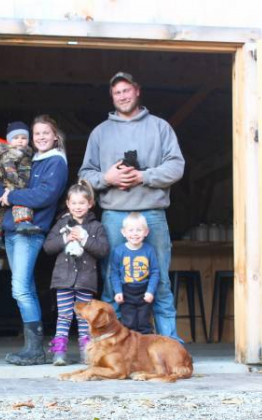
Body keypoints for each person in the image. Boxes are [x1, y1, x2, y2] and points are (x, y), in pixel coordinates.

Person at [78, 71, 185, 342]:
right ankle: (111, 345)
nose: (122, 96)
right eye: (117, 92)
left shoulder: (160, 127)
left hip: (152, 213)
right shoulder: (100, 132)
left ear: (137, 91)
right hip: (113, 215)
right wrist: (107, 178)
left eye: (126, 90)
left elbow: (176, 166)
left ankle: (170, 345)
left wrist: (143, 176)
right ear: (112, 97)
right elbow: (84, 175)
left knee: (159, 280)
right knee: (113, 281)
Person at [0, 114, 69, 366]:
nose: (41, 137)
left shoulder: (56, 162)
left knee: (21, 289)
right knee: (24, 288)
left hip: (31, 230)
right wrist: (2, 194)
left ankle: (35, 350)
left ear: (55, 135)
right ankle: (32, 347)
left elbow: (45, 195)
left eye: (45, 133)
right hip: (13, 229)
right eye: (37, 134)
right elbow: (0, 185)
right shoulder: (28, 158)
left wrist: (11, 195)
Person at [43, 179, 109, 365]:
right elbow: (48, 247)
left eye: (82, 203)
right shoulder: (61, 224)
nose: (78, 207)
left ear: (90, 204)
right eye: (74, 203)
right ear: (68, 204)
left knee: (84, 319)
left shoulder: (96, 227)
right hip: (63, 280)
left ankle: (86, 353)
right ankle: (59, 353)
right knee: (64, 315)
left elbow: (103, 250)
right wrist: (65, 237)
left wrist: (85, 239)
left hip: (86, 281)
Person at [0, 121, 41, 248]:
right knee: (20, 201)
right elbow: (8, 169)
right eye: (16, 138)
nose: (20, 141)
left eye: (24, 138)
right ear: (9, 140)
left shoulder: (26, 153)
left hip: (11, 183)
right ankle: (23, 222)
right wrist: (17, 184)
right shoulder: (11, 154)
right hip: (13, 182)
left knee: (4, 210)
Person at [109, 212, 159, 334]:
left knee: (144, 323)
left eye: (139, 230)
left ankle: (146, 349)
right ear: (123, 232)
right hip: (127, 291)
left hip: (144, 291)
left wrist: (150, 291)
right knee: (128, 323)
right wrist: (118, 291)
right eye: (131, 230)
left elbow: (154, 272)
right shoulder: (119, 251)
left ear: (146, 232)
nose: (135, 233)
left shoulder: (149, 250)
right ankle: (129, 350)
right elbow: (114, 273)